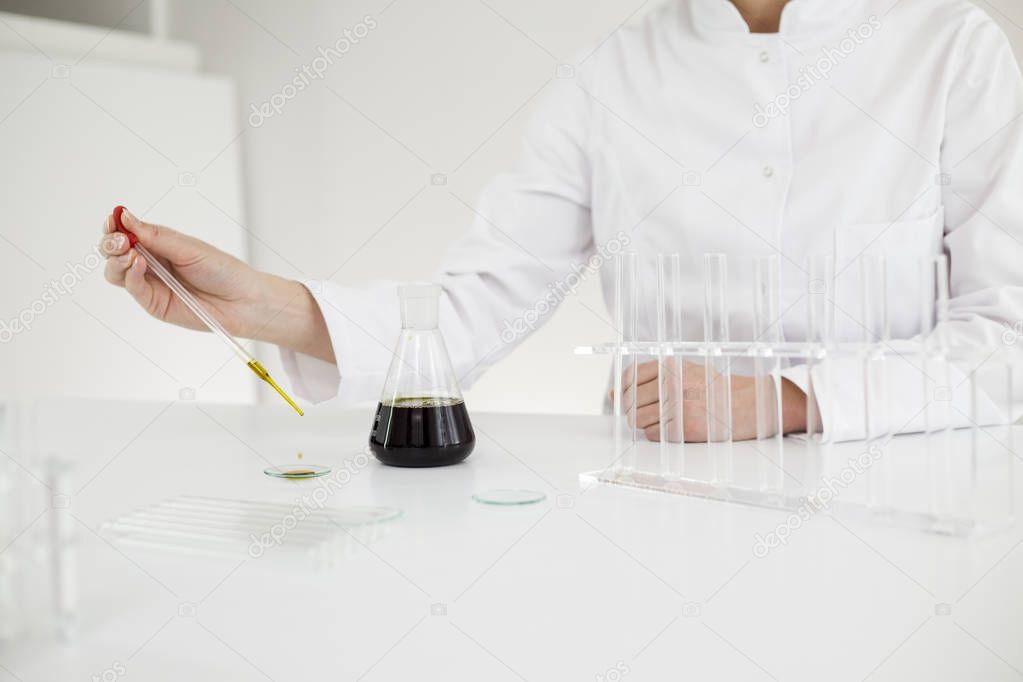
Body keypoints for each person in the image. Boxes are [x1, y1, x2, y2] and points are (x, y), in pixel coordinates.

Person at [100, 0, 1023, 442]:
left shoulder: (953, 50)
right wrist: (258, 305)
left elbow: (1007, 344)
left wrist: (787, 400)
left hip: (903, 504)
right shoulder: (609, 76)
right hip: (666, 510)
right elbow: (478, 307)